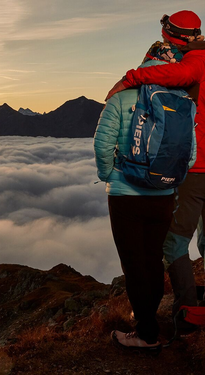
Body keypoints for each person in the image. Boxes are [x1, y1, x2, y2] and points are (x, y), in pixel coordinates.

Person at [106, 10, 205, 334]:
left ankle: (188, 312)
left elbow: (177, 76)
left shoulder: (196, 60)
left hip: (196, 168)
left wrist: (130, 79)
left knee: (172, 244)